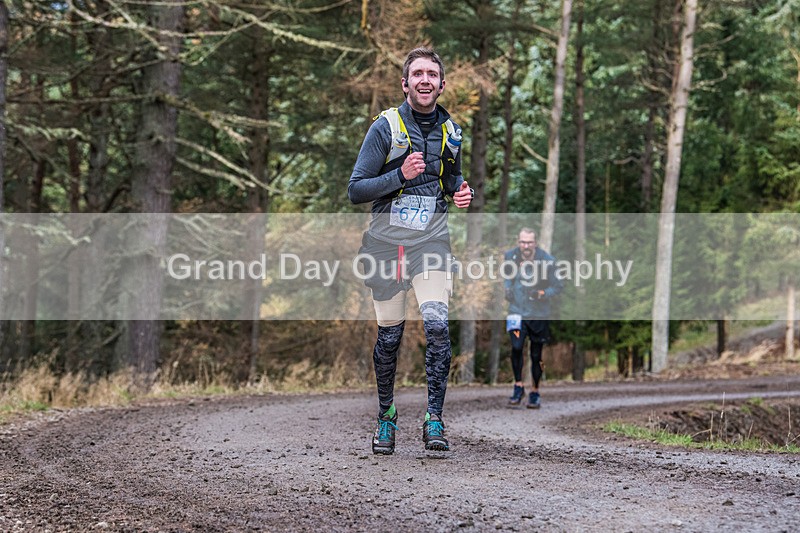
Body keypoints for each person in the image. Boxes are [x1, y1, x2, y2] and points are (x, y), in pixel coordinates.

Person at [349, 47, 473, 455]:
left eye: (431, 74)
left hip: (430, 242)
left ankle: (434, 418)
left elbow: (450, 178)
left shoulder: (452, 132)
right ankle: (386, 417)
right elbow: (356, 189)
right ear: (405, 84)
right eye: (417, 74)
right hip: (386, 246)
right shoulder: (385, 128)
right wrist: (399, 175)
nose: (424, 80)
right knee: (390, 336)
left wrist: (461, 191)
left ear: (442, 84)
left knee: (436, 325)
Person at [504, 228, 562, 409]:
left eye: (529, 242)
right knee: (516, 347)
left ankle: (535, 391)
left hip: (538, 314)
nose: (526, 246)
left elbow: (558, 286)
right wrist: (508, 289)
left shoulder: (548, 261)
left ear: (535, 243)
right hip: (516, 312)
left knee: (536, 355)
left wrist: (542, 293)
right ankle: (518, 386)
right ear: (518, 242)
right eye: (523, 242)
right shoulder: (510, 256)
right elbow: (507, 277)